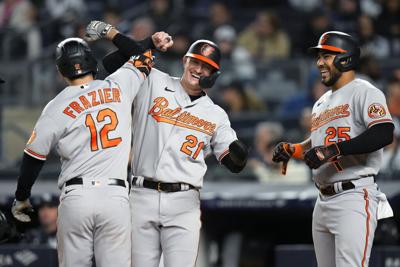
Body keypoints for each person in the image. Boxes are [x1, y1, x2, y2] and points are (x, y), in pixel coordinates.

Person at [10, 23, 173, 267]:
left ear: (60, 71)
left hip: (77, 197)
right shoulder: (118, 85)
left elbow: (33, 157)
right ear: (92, 62)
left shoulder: (55, 106)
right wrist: (112, 32)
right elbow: (138, 55)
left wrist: (21, 198)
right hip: (116, 197)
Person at [92, 21, 248, 267]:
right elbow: (112, 65)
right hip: (141, 195)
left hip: (184, 201)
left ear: (214, 75)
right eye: (195, 61)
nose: (198, 69)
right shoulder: (153, 80)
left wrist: (239, 155)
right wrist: (149, 44)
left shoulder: (216, 114)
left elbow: (232, 162)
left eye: (206, 67)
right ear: (185, 61)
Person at [272, 31, 394, 267]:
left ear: (345, 59)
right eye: (318, 57)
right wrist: (293, 149)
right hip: (323, 199)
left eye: (326, 56)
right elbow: (316, 144)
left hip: (354, 194)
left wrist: (332, 151)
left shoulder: (365, 90)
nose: (319, 63)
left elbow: (383, 132)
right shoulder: (322, 101)